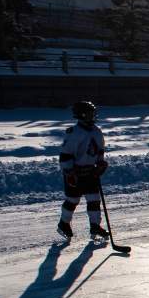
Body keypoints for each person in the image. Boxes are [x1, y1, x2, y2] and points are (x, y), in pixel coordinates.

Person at [56, 100, 109, 242]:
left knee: (94, 199)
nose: (93, 116)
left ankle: (95, 226)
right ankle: (64, 223)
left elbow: (99, 151)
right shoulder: (74, 133)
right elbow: (65, 155)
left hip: (90, 172)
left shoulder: (97, 132)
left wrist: (101, 164)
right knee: (72, 200)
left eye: (93, 113)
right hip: (75, 173)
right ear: (82, 115)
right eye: (90, 113)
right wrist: (69, 173)